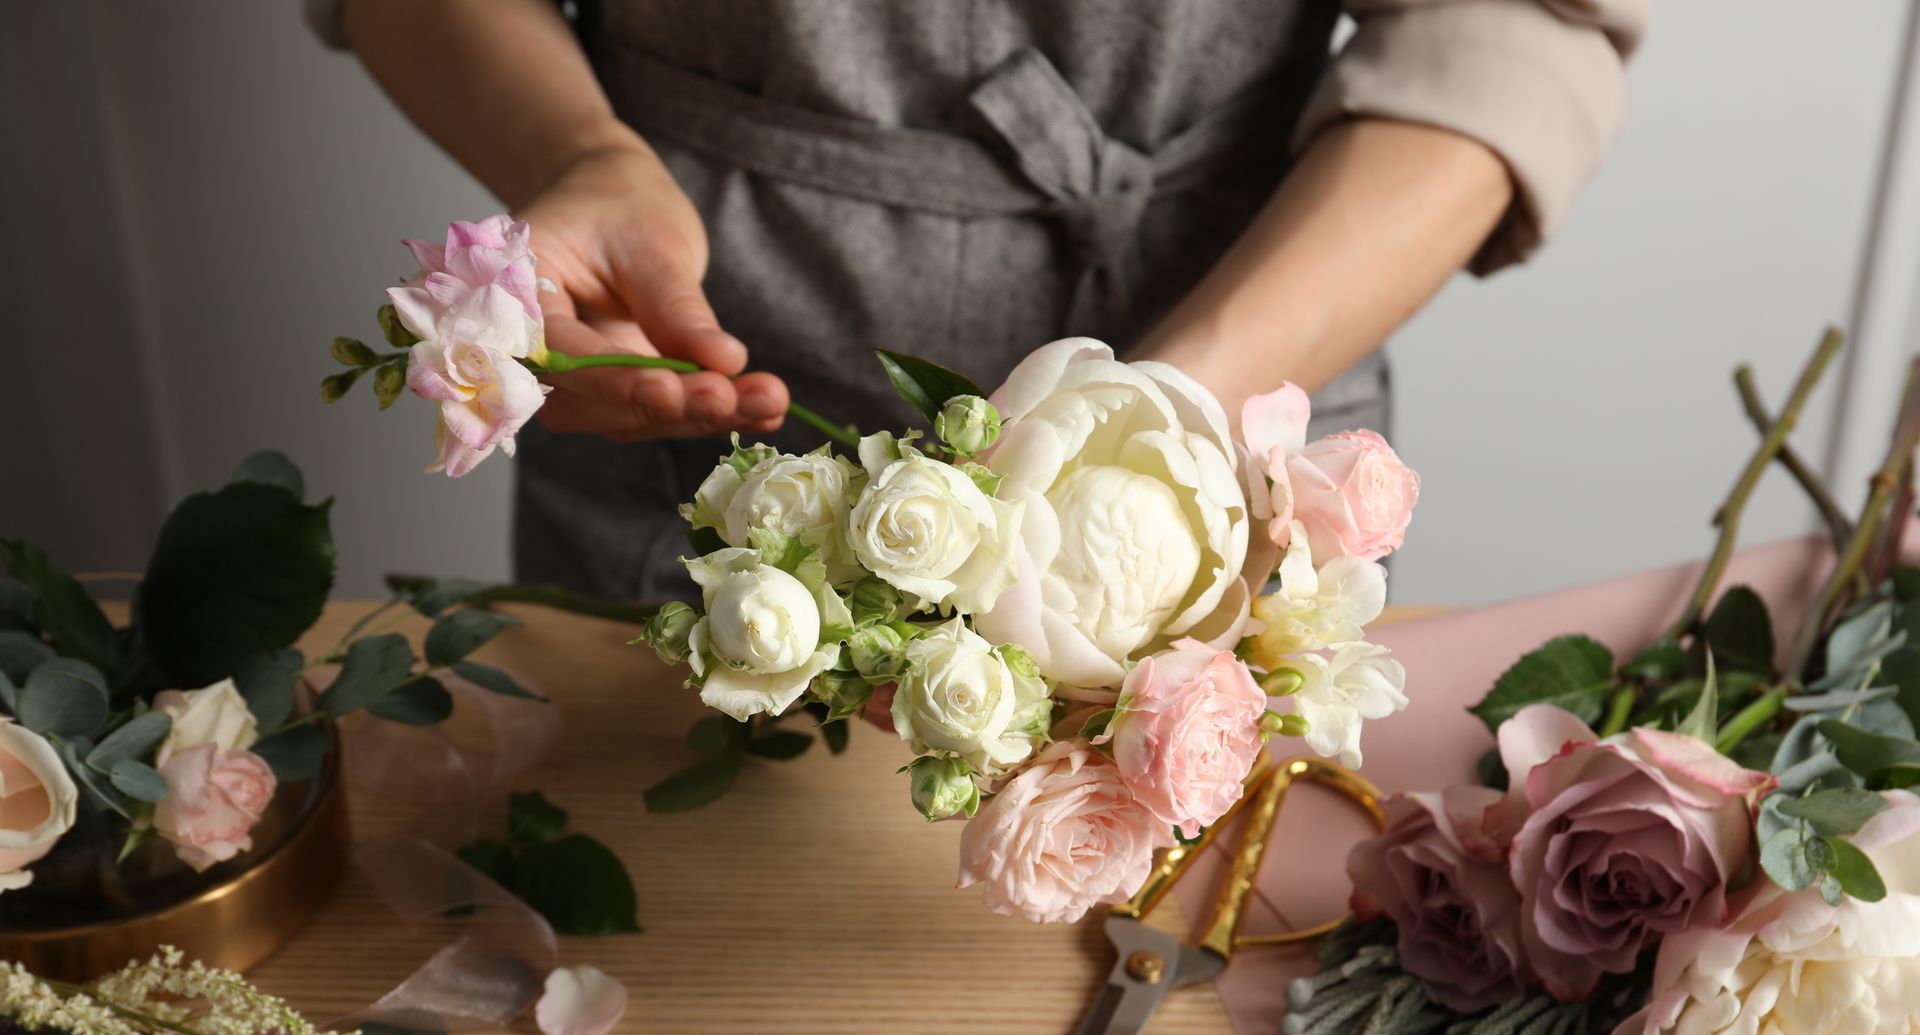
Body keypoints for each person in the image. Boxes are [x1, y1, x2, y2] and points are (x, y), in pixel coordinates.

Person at [314, 0, 1646, 599]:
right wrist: (578, 159)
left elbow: (1514, 28)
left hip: (1233, 415)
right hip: (684, 412)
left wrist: (1153, 418)